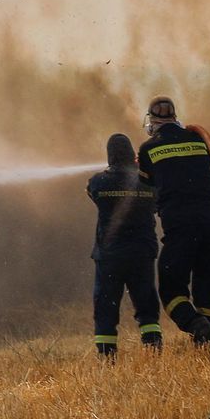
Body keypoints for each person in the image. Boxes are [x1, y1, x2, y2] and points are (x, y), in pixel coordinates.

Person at [137, 96, 210, 352]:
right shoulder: (198, 139)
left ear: (151, 121)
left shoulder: (148, 148)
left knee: (171, 290)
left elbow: (147, 184)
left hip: (181, 225)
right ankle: (209, 343)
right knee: (207, 284)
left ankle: (201, 331)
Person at [86, 132, 162, 359]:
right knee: (147, 305)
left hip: (110, 256)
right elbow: (157, 203)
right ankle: (153, 352)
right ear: (132, 153)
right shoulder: (148, 180)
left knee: (106, 308)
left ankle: (107, 358)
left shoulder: (98, 181)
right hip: (141, 253)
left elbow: (92, 194)